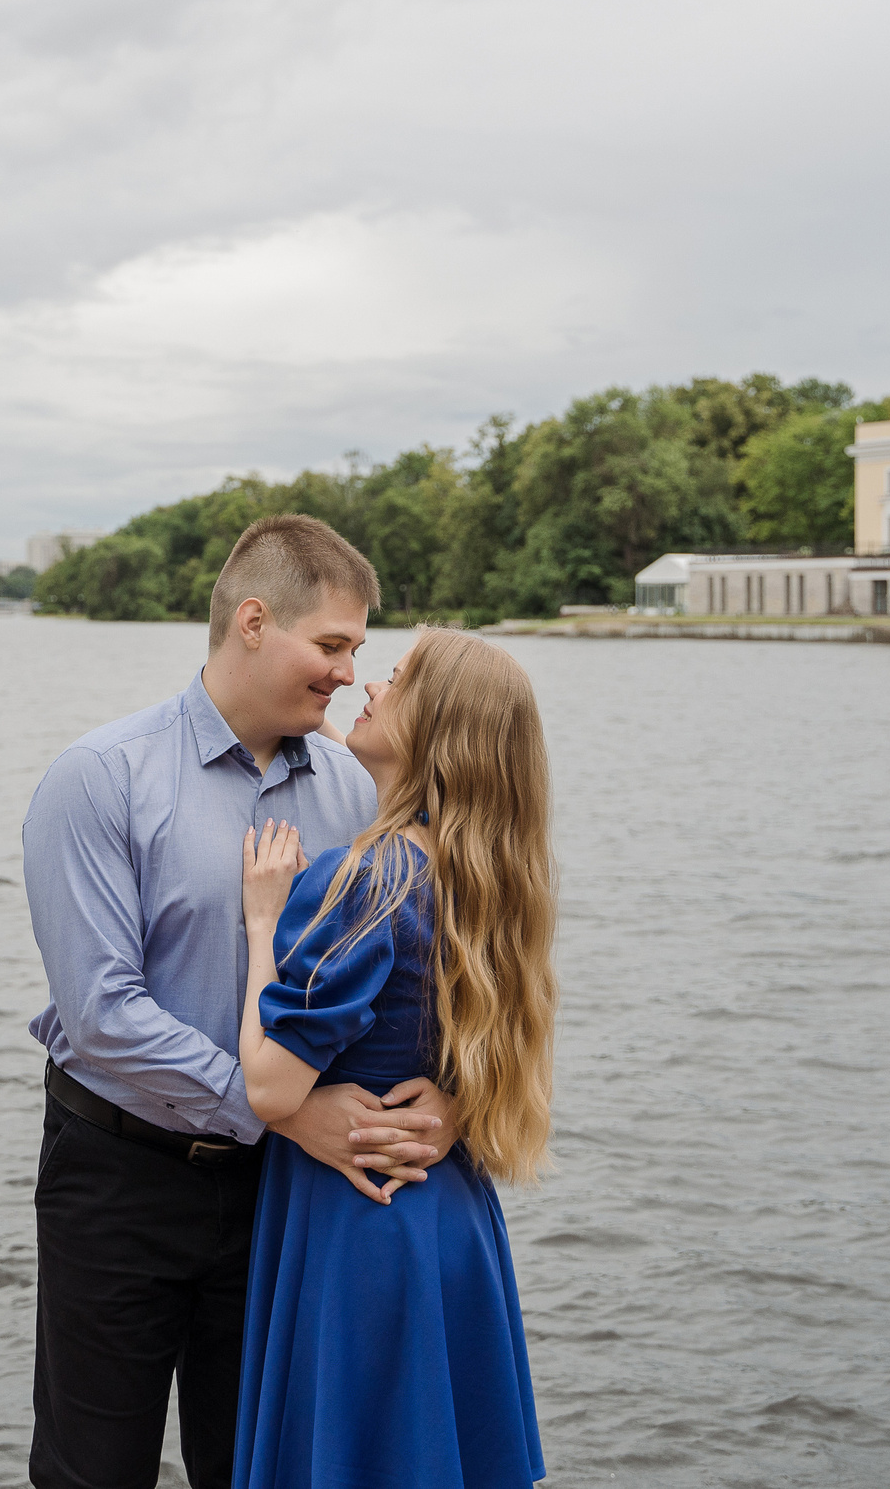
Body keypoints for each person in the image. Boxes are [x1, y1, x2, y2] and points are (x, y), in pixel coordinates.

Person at [23, 515, 460, 1489]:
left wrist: (450, 1093)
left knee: (259, 1467)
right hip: (119, 1182)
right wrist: (289, 1112)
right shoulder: (100, 781)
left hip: (287, 1200)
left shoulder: (357, 790)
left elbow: (433, 966)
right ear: (254, 621)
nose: (350, 673)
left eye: (357, 650)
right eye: (333, 644)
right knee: (93, 1471)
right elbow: (101, 1015)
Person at [233, 627, 555, 1488]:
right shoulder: (487, 877)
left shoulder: (363, 883)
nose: (370, 684)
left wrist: (264, 921)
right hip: (451, 1217)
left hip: (361, 1222)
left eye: (399, 678)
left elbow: (268, 1084)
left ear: (437, 728)